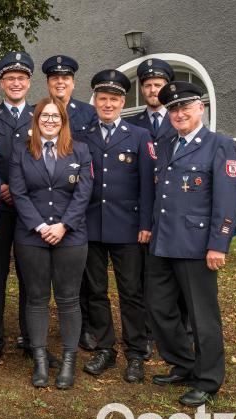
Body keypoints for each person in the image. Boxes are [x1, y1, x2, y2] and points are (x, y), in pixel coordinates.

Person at [148, 81, 236, 407]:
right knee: (158, 308)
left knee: (202, 317)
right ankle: (184, 364)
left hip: (196, 245)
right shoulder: (165, 144)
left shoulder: (219, 145)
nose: (179, 113)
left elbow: (227, 201)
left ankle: (208, 379)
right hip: (162, 242)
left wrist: (219, 244)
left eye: (185, 106)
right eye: (173, 108)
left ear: (201, 108)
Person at [76, 70, 154, 384]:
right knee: (95, 291)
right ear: (95, 101)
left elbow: (147, 184)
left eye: (114, 99)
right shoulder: (82, 135)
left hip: (128, 227)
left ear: (123, 102)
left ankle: (136, 351)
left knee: (131, 291)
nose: (108, 104)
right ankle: (105, 348)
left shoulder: (139, 136)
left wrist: (146, 223)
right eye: (103, 98)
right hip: (91, 226)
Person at [9, 97, 92, 389]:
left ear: (63, 121)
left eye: (56, 116)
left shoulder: (80, 150)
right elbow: (18, 193)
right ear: (36, 120)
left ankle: (69, 361)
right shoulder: (21, 151)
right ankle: (40, 360)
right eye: (44, 116)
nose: (50, 120)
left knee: (68, 299)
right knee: (36, 298)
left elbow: (84, 192)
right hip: (32, 236)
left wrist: (64, 225)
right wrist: (42, 226)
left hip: (71, 235)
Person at [0, 51, 44, 367]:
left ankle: (31, 339)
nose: (16, 83)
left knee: (32, 277)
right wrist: (0, 187)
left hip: (32, 210)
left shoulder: (41, 116)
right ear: (1, 84)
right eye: (10, 78)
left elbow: (48, 161)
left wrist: (18, 190)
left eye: (21, 78)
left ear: (29, 82)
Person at [127, 57, 180, 360]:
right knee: (143, 276)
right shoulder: (133, 125)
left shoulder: (179, 119)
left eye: (157, 84)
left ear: (166, 87)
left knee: (176, 276)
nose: (151, 90)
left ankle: (179, 332)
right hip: (141, 211)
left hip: (174, 210)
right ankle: (146, 333)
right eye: (147, 85)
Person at [40, 55, 97, 135]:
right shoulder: (36, 112)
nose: (60, 82)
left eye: (65, 78)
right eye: (55, 78)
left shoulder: (90, 112)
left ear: (73, 83)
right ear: (48, 83)